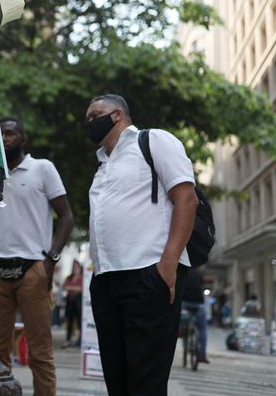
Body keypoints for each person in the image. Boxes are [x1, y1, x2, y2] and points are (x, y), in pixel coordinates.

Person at [85, 94, 198, 396]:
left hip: (148, 275)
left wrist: (167, 266)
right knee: (117, 380)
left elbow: (187, 199)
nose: (90, 122)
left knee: (146, 381)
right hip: (106, 281)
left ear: (118, 115)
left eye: (95, 114)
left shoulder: (153, 141)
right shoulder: (102, 165)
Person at [0, 116, 74, 396]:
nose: (6, 138)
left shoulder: (42, 168)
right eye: (2, 134)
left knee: (39, 351)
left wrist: (51, 259)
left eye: (11, 133)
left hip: (33, 269)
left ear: (23, 139)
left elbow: (67, 218)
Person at [181, 267, 209, 363]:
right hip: (198, 304)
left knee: (178, 318)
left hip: (184, 302)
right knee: (202, 328)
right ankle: (202, 354)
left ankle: (180, 330)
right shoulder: (199, 273)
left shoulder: (183, 270)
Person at [62, 260, 83, 349]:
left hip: (78, 302)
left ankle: (79, 340)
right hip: (70, 302)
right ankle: (68, 340)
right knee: (69, 322)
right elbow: (65, 286)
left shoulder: (82, 278)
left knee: (79, 322)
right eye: (74, 266)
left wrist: (71, 288)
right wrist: (75, 288)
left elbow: (81, 288)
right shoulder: (69, 277)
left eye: (76, 266)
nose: (75, 268)